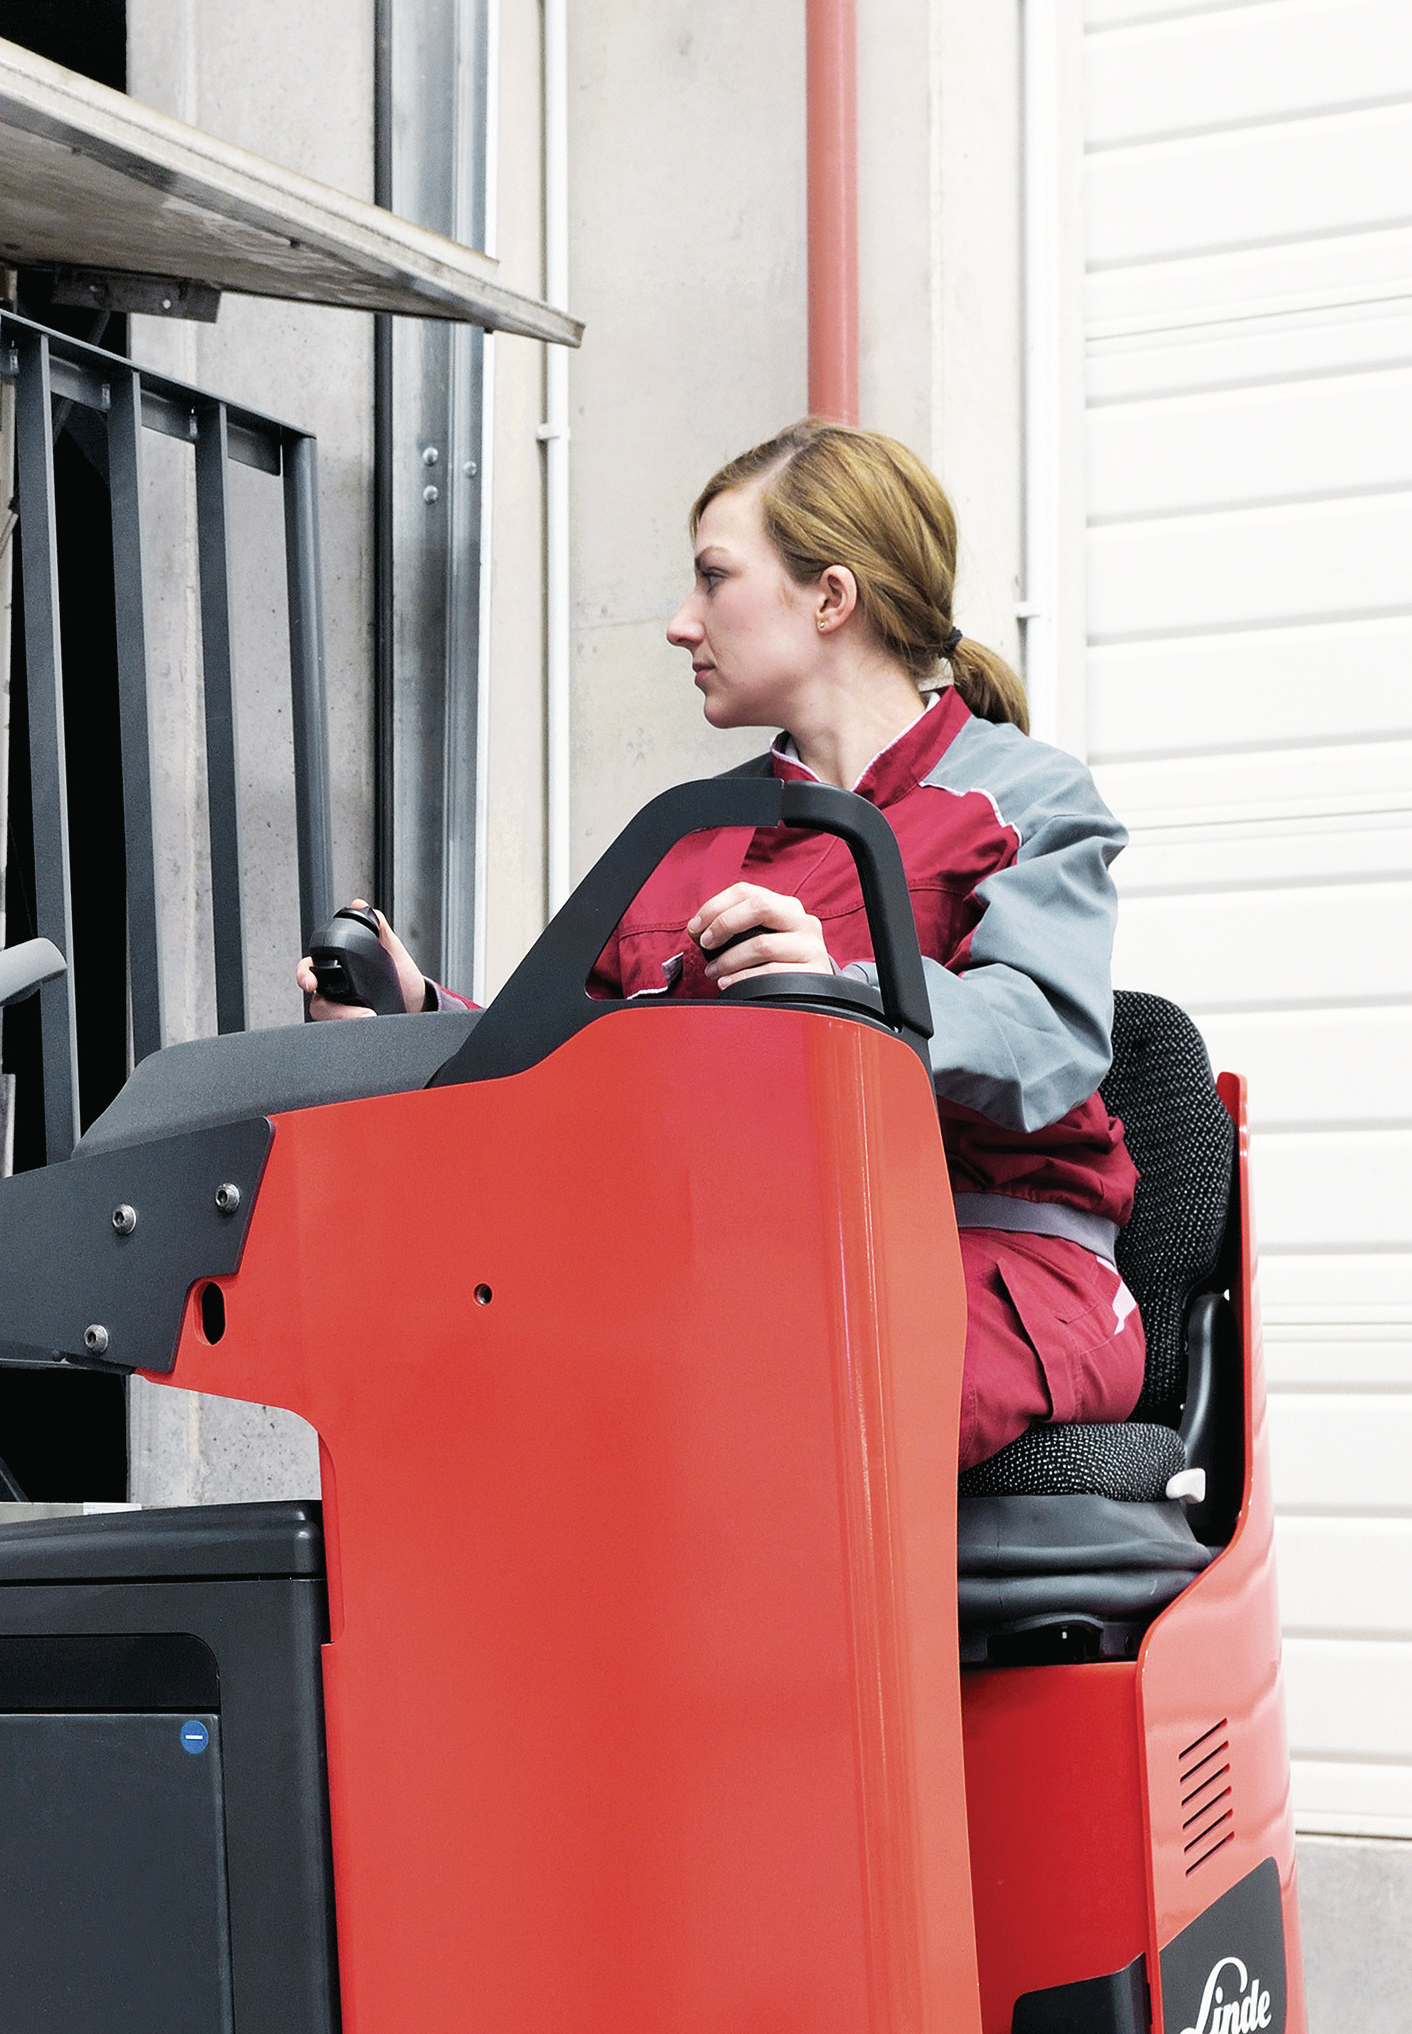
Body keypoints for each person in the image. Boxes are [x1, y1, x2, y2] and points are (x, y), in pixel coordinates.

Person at [299, 420, 1142, 1470]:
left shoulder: (1025, 799)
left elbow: (1048, 1033)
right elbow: (566, 1062)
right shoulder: (684, 842)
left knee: (743, 1397)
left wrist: (843, 990)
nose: (679, 623)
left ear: (830, 598)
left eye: (712, 578)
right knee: (471, 1373)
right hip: (751, 1284)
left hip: (993, 1271)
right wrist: (415, 1016)